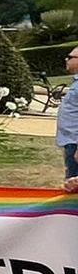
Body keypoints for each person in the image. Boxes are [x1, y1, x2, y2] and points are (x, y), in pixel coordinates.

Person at [58, 47, 78, 193]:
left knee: (73, 188)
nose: (67, 59)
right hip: (71, 142)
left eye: (70, 57)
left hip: (75, 143)